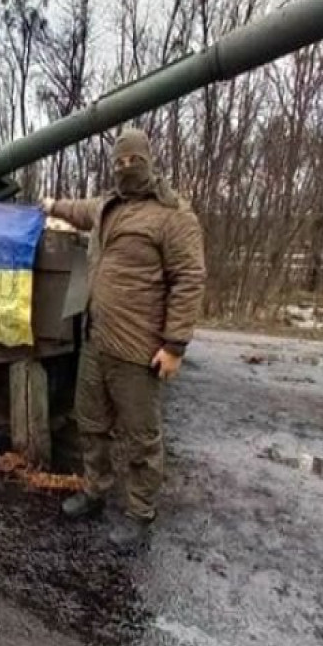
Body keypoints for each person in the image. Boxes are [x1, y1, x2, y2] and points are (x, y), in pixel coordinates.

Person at [40, 126, 206, 546]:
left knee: (140, 436)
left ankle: (140, 511)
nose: (126, 167)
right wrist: (50, 205)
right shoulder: (108, 206)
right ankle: (95, 490)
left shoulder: (173, 215)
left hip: (138, 347)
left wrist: (174, 346)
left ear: (149, 161)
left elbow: (189, 279)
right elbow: (79, 210)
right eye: (119, 161)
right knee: (91, 423)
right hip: (97, 339)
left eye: (134, 160)